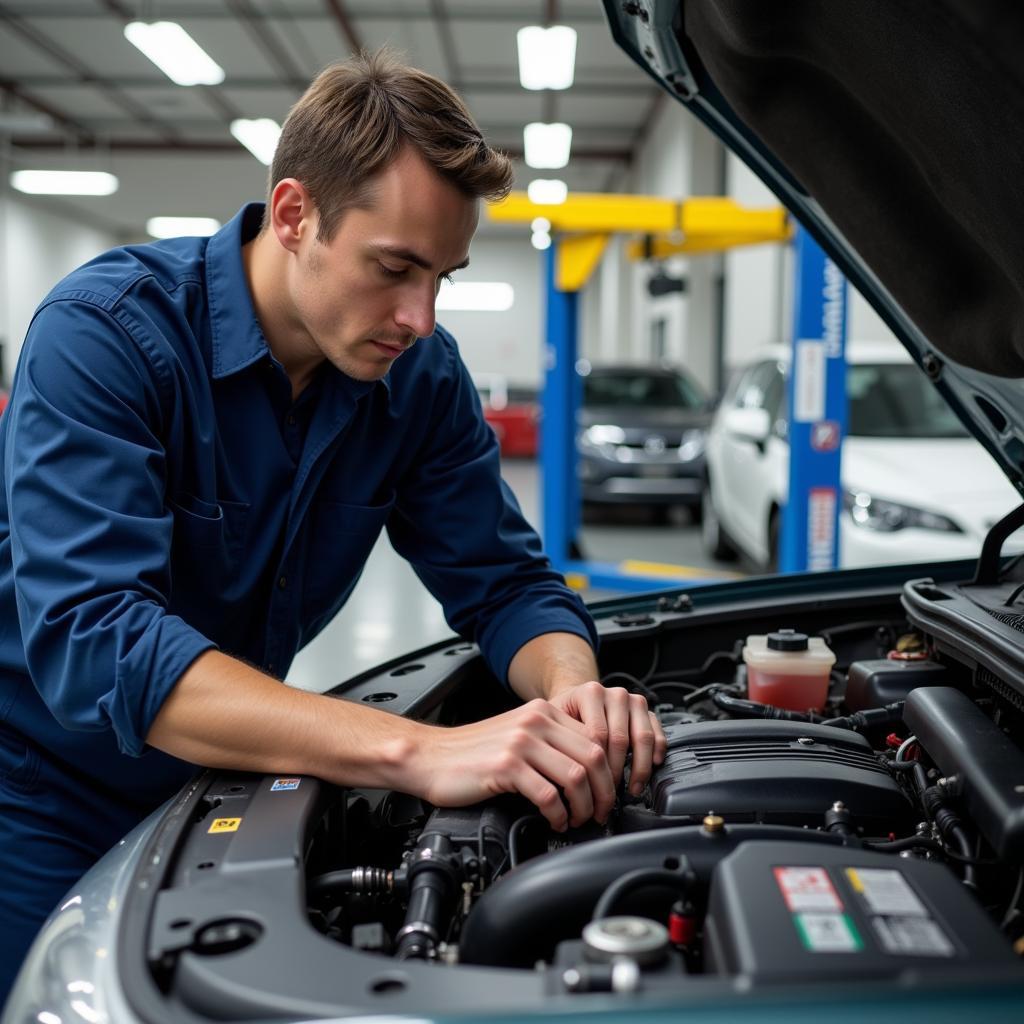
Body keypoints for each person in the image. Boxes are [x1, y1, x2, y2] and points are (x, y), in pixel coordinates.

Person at [0, 50, 665, 998]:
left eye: (442, 275)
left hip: (218, 778)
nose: (420, 317)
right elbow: (98, 641)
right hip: (40, 792)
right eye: (395, 268)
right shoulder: (108, 336)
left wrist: (573, 697)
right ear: (293, 214)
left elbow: (508, 583)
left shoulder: (417, 380)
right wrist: (417, 750)